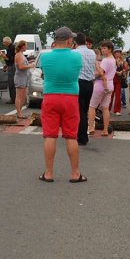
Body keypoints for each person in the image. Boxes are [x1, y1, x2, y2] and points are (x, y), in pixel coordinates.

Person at [37, 27, 85, 183]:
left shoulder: (45, 57)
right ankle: (75, 173)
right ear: (70, 40)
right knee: (71, 136)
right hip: (70, 97)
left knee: (50, 135)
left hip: (50, 96)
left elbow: (45, 73)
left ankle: (49, 173)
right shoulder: (77, 57)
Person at [88, 40, 116, 136]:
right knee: (105, 108)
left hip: (100, 84)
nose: (102, 50)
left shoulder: (105, 60)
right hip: (110, 84)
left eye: (104, 48)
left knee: (92, 107)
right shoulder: (113, 60)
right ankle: (105, 130)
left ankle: (91, 127)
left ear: (110, 49)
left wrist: (93, 71)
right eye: (102, 48)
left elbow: (101, 72)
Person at [74, 32, 96, 146]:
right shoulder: (92, 52)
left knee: (79, 110)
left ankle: (81, 136)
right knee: (85, 110)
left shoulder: (75, 52)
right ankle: (83, 134)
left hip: (79, 82)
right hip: (89, 84)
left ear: (75, 42)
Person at [13, 40, 35, 119]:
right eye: (25, 45)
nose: (26, 47)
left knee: (24, 96)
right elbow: (21, 67)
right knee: (19, 95)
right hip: (20, 77)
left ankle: (20, 112)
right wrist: (30, 65)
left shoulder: (21, 54)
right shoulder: (18, 55)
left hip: (25, 77)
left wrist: (29, 62)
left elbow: (23, 64)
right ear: (22, 46)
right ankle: (19, 113)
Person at [112, 49, 127, 116]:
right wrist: (116, 72)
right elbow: (109, 69)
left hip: (119, 80)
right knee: (110, 96)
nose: (118, 54)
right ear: (114, 53)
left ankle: (117, 110)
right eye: (116, 52)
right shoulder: (111, 60)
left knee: (118, 96)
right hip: (111, 80)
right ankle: (107, 109)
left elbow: (124, 68)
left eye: (119, 52)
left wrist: (122, 71)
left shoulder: (122, 61)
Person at [2, 36, 16, 104]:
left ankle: (13, 98)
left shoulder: (11, 47)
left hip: (12, 66)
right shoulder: (13, 46)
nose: (3, 44)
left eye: (4, 42)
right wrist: (6, 64)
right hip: (12, 65)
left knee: (11, 83)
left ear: (7, 42)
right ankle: (14, 98)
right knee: (13, 83)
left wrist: (3, 56)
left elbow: (9, 58)